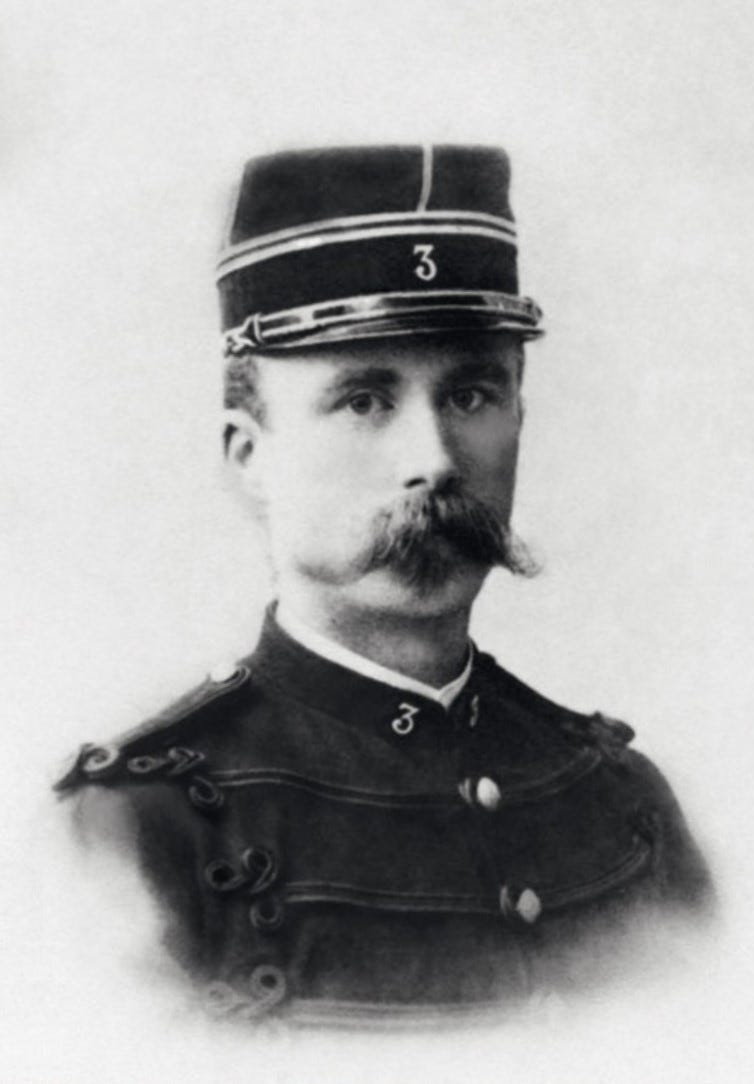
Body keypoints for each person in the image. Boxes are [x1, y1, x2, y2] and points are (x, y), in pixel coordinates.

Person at [55, 145, 712, 1026]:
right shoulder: (136, 824)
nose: (433, 461)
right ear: (249, 457)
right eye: (364, 401)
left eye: (470, 395)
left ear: (519, 416)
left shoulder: (621, 798)